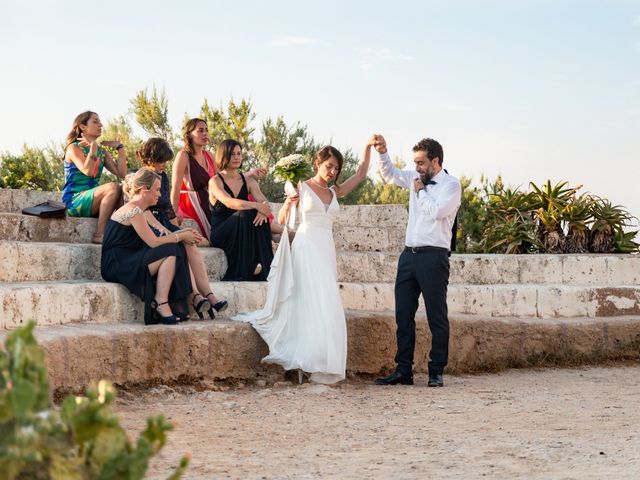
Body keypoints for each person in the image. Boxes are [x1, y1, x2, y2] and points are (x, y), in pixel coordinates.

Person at [233, 141, 373, 384]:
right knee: (312, 299)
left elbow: (361, 173)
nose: (333, 172)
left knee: (326, 301)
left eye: (337, 169)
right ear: (317, 164)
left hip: (325, 247)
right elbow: (281, 219)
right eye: (329, 166)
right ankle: (308, 360)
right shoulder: (301, 186)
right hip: (306, 245)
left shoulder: (334, 192)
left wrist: (369, 145)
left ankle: (323, 363)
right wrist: (289, 202)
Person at [373, 135, 461, 387]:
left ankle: (436, 370)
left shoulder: (451, 186)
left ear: (436, 161)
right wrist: (382, 152)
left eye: (421, 163)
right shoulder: (414, 177)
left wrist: (421, 192)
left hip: (434, 257)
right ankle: (403, 370)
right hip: (408, 256)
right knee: (403, 314)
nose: (417, 168)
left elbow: (436, 213)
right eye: (415, 163)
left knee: (436, 315)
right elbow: (389, 174)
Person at [138, 138, 228, 319]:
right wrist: (176, 232)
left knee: (190, 242)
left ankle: (209, 295)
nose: (164, 164)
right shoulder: (140, 176)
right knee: (182, 243)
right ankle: (195, 295)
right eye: (161, 160)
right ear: (151, 157)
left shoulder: (162, 177)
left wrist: (177, 226)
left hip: (163, 222)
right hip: (146, 225)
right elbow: (139, 208)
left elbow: (167, 208)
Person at [101, 169, 200, 325]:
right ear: (144, 190)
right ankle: (161, 303)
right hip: (117, 264)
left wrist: (182, 234)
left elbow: (157, 237)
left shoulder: (139, 209)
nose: (160, 195)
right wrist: (181, 235)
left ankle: (174, 303)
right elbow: (153, 242)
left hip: (128, 257)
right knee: (171, 249)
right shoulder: (134, 210)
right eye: (157, 190)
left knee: (175, 247)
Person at [170, 118, 269, 241]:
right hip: (192, 203)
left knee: (247, 208)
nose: (205, 133)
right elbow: (176, 186)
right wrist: (172, 213)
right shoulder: (183, 156)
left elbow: (225, 178)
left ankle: (277, 235)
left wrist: (250, 174)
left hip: (210, 200)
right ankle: (281, 234)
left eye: (206, 130)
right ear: (189, 134)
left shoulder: (209, 156)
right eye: (200, 130)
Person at [208, 139, 274, 281]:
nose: (237, 157)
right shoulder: (215, 181)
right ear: (223, 156)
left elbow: (264, 202)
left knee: (255, 214)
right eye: (232, 154)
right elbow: (229, 202)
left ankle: (266, 266)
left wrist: (263, 209)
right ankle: (247, 268)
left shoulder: (249, 181)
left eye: (239, 153)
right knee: (247, 212)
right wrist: (257, 206)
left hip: (243, 228)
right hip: (222, 232)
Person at [62, 111, 127, 243]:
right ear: (82, 127)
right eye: (95, 121)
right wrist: (92, 149)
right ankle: (100, 234)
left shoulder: (102, 151)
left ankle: (120, 234)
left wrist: (120, 148)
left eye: (100, 121)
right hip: (74, 201)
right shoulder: (73, 148)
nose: (100, 124)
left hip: (92, 201)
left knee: (123, 188)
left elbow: (122, 174)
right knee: (112, 187)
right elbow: (88, 171)